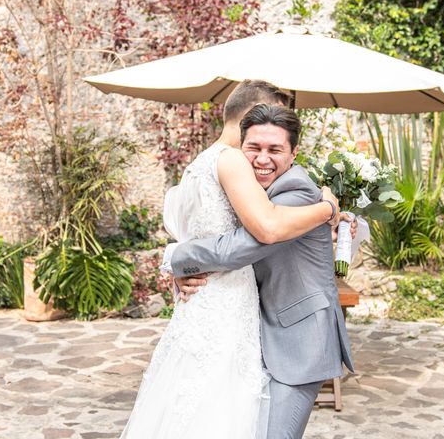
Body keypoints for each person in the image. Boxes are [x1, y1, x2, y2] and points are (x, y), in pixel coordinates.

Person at [119, 80, 341, 439]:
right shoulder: (232, 161)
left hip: (223, 308)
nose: (263, 155)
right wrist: (328, 207)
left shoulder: (198, 165)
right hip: (226, 307)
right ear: (251, 118)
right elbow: (263, 230)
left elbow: (210, 233)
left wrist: (180, 260)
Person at [169, 104, 355, 439]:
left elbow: (242, 247)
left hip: (299, 338)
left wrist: (176, 257)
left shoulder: (296, 190)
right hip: (258, 333)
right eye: (253, 148)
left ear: (294, 153)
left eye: (275, 150)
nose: (262, 159)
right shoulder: (254, 191)